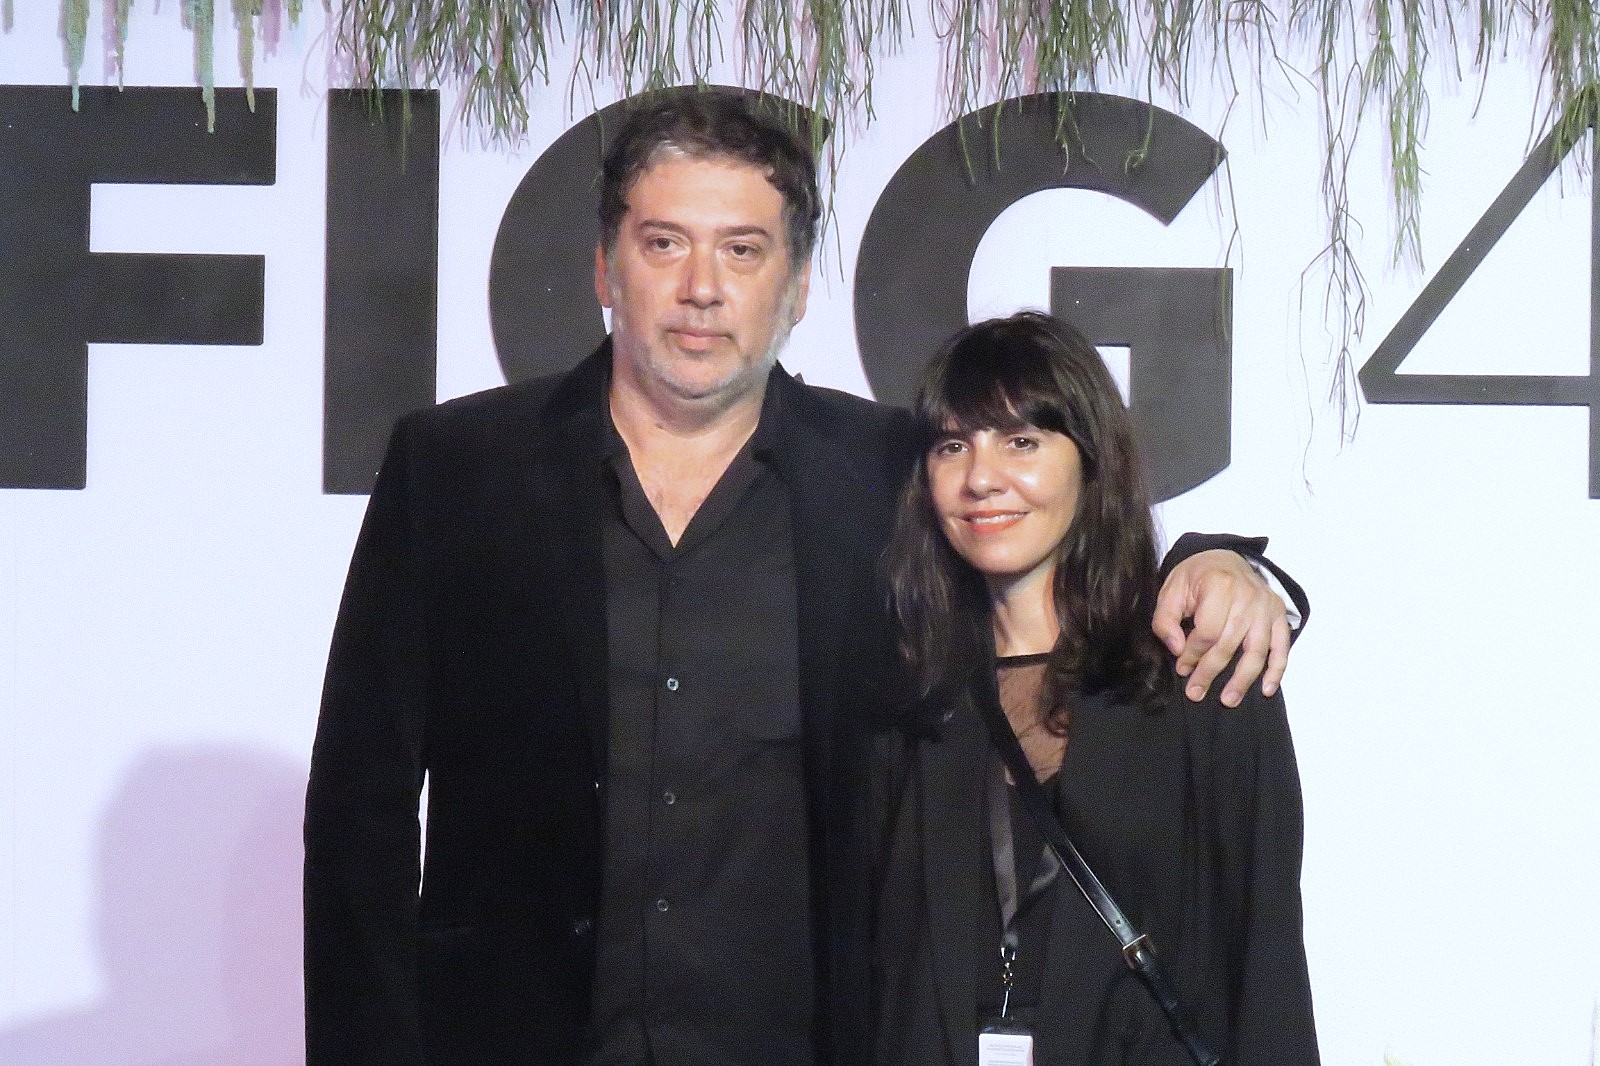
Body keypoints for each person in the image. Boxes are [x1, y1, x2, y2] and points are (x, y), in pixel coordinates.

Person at [303, 89, 1302, 1066]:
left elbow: (1056, 535)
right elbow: (361, 813)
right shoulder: (456, 469)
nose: (703, 287)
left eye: (742, 249)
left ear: (798, 286)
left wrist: (1227, 563)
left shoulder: (886, 473)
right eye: (664, 243)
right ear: (605, 266)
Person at [873, 311, 1319, 1066]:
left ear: (1090, 460)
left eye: (1022, 441)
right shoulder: (903, 699)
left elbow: (1267, 965)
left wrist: (1225, 559)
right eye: (953, 445)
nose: (982, 477)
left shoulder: (1202, 678)